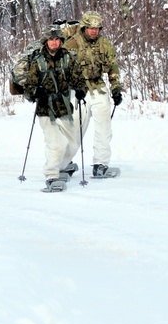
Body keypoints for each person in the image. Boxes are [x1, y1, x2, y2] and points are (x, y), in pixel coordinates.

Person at [22, 26, 85, 191]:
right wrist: (37, 92)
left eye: (57, 39)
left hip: (64, 106)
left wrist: (80, 90)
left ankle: (62, 166)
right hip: (45, 108)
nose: (54, 42)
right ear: (46, 41)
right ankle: (51, 176)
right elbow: (29, 89)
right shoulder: (37, 61)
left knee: (72, 143)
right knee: (56, 144)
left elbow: (79, 79)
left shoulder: (68, 58)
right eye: (51, 39)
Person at [64, 11, 123, 177]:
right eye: (90, 28)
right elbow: (63, 69)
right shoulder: (72, 43)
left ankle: (101, 164)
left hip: (98, 86)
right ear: (84, 27)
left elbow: (112, 66)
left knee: (104, 126)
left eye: (97, 28)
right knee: (75, 128)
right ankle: (64, 163)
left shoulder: (104, 44)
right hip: (77, 90)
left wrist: (116, 88)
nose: (94, 31)